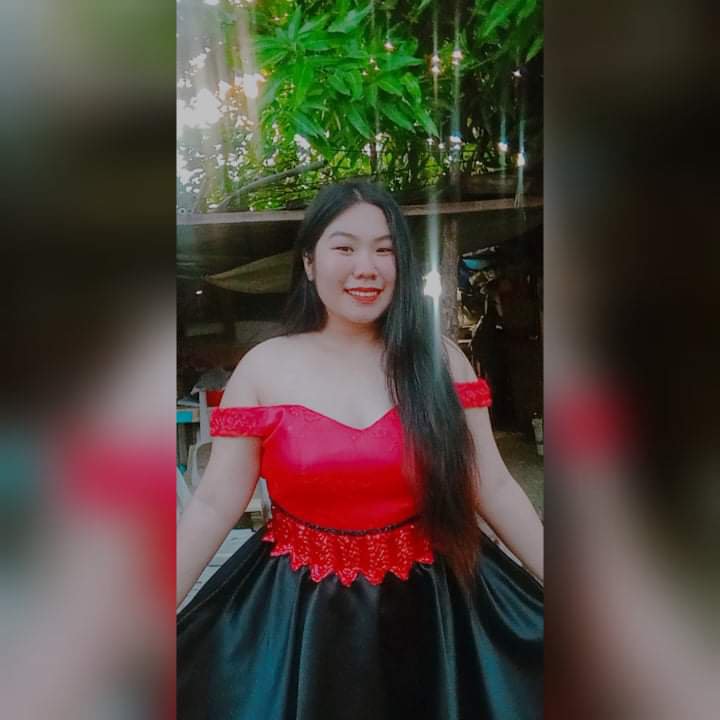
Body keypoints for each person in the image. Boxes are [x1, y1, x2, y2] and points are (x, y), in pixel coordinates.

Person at [177, 181, 544, 719]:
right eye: (344, 247)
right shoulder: (265, 367)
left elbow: (492, 484)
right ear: (309, 263)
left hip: (435, 611)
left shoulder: (439, 360)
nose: (366, 268)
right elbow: (212, 505)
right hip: (298, 615)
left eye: (384, 249)